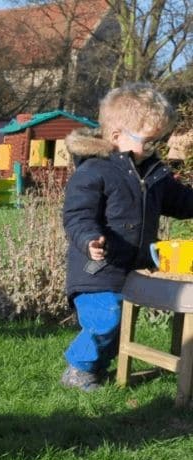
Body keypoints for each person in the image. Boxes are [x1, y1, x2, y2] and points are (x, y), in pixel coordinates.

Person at [62, 82, 193, 391]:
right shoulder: (94, 171)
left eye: (157, 141)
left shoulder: (154, 173)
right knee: (105, 319)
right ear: (117, 136)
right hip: (96, 268)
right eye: (148, 141)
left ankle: (98, 366)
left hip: (133, 266)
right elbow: (77, 215)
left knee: (116, 322)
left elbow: (181, 201)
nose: (153, 148)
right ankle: (78, 368)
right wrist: (89, 238)